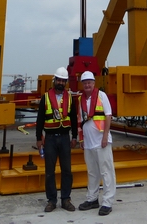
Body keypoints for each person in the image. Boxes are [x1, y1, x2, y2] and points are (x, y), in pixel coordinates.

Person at [36, 67, 78, 213]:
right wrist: (38, 139)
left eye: (63, 80)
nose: (60, 82)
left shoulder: (70, 98)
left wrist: (75, 137)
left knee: (67, 170)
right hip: (50, 139)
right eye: (58, 80)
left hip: (65, 138)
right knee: (49, 172)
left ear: (65, 82)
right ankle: (51, 200)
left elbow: (73, 118)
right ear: (55, 80)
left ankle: (66, 199)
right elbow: (40, 118)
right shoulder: (46, 97)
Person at [77, 70, 116, 217]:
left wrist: (105, 136)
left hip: (101, 141)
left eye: (89, 82)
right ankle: (92, 199)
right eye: (85, 83)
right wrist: (81, 139)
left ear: (94, 83)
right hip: (88, 143)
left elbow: (108, 115)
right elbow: (80, 121)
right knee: (92, 172)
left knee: (106, 171)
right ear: (83, 84)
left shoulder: (101, 95)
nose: (87, 85)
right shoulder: (81, 99)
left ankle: (107, 202)